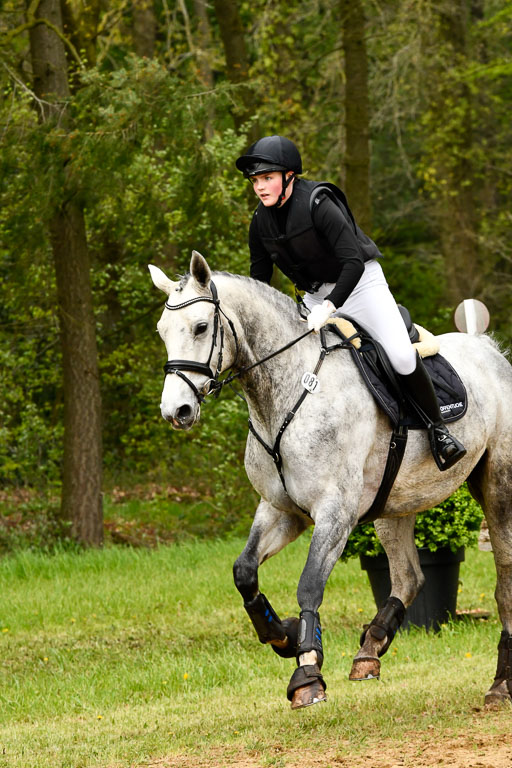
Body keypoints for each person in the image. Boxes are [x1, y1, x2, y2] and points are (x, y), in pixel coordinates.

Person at [235, 134, 466, 471]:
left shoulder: (318, 204)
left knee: (401, 355)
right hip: (314, 296)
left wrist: (330, 307)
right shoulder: (260, 223)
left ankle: (438, 431)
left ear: (289, 177)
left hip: (360, 286)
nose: (260, 187)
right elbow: (259, 280)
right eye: (256, 180)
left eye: (267, 178)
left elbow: (353, 263)